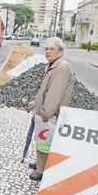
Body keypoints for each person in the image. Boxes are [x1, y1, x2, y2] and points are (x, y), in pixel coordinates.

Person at [28, 37, 75, 181]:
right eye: (46, 49)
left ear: (60, 52)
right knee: (44, 141)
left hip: (50, 114)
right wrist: (36, 101)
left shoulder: (61, 67)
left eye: (52, 49)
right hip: (46, 112)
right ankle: (41, 163)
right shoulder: (54, 64)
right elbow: (46, 89)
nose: (48, 52)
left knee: (46, 140)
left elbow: (55, 94)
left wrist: (45, 113)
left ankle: (43, 171)